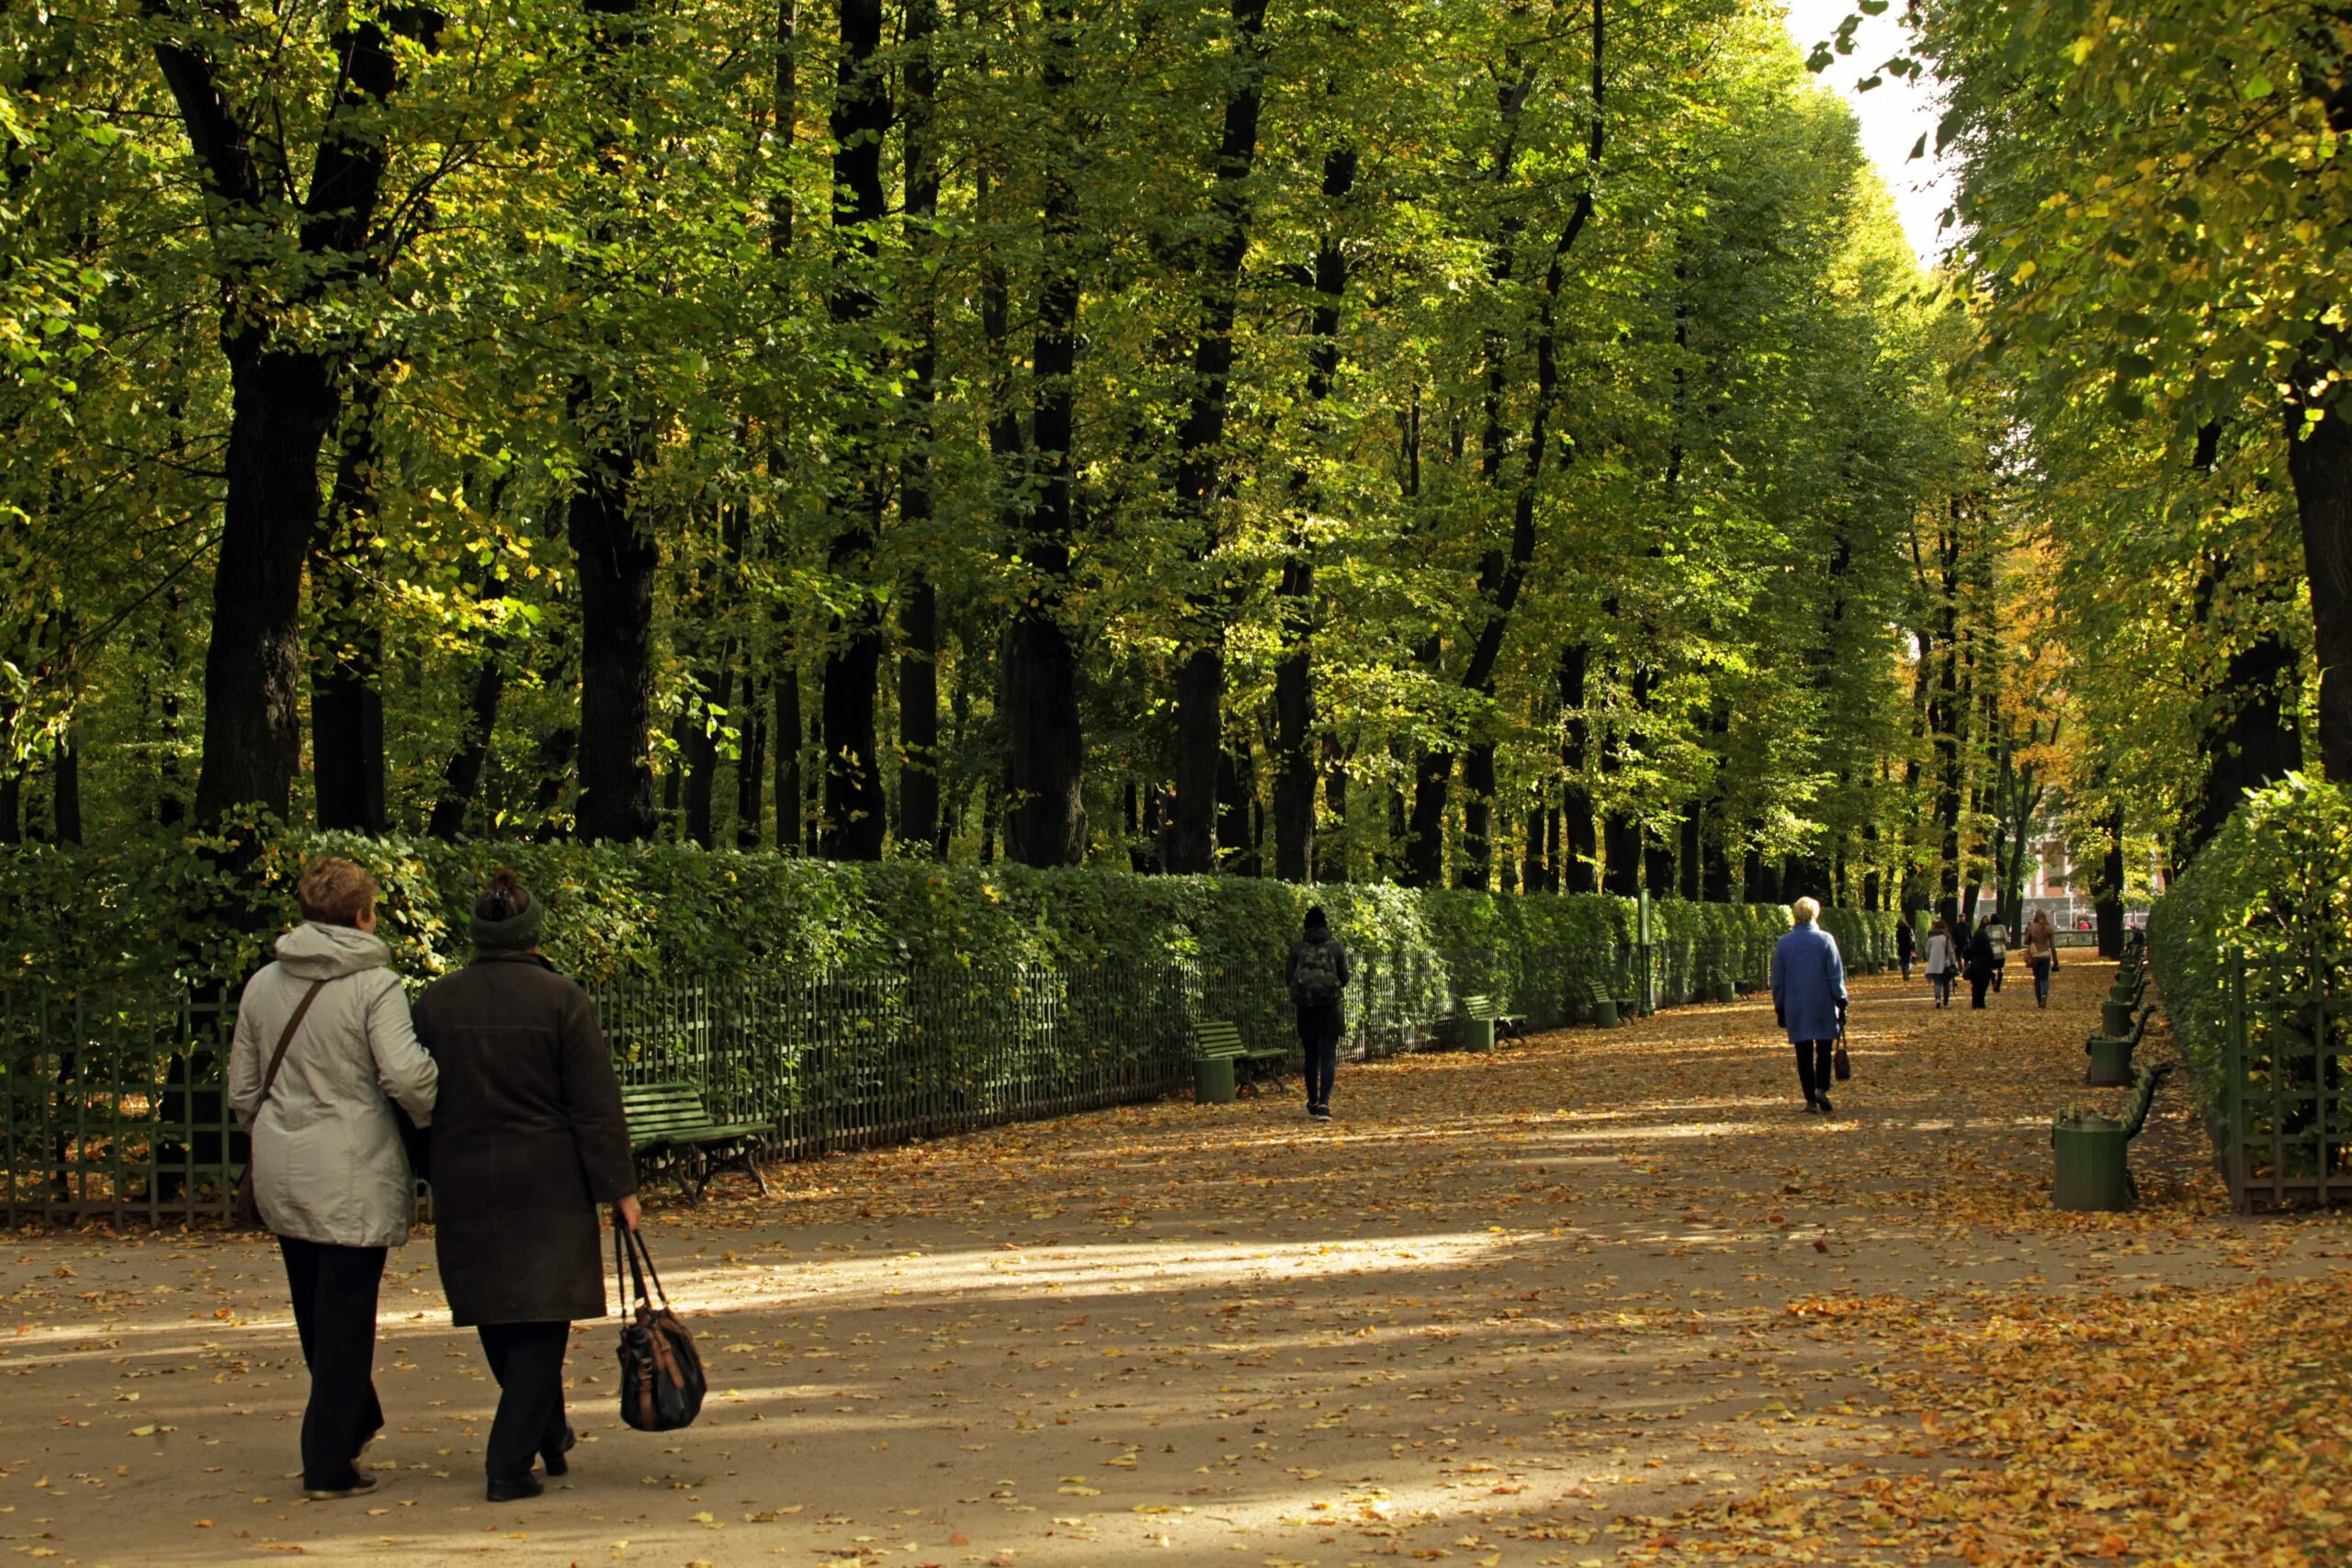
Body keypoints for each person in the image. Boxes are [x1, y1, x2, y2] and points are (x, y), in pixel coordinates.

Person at [412, 870, 640, 1503]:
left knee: (497, 1312)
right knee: (542, 1320)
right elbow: (594, 1103)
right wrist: (618, 1186)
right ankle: (508, 1464)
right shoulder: (562, 999)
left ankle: (547, 1429)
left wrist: (426, 1164)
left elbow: (410, 1097)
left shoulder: (435, 1003)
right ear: (533, 932)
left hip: (465, 1176)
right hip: (548, 1179)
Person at [228, 856, 438, 1503]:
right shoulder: (377, 986)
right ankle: (328, 1461)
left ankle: (353, 1418)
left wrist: (271, 1129)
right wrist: (429, 1111)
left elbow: (241, 1087)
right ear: (361, 915)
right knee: (347, 1315)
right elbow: (405, 1075)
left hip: (284, 1167)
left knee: (315, 1310)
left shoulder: (264, 983)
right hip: (352, 1167)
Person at [1770, 897, 1848, 1115]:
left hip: (1796, 1004)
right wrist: (1841, 1000)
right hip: (1822, 1004)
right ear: (1816, 914)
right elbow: (1835, 975)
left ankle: (1810, 1099)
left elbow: (1778, 979)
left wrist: (1780, 1006)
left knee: (1803, 1053)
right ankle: (1822, 1088)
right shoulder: (1825, 940)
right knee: (1823, 1050)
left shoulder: (1784, 943)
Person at [1285, 907, 1351, 1121]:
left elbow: (1288, 979)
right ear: (1325, 925)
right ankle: (1324, 1104)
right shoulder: (1335, 947)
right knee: (1328, 1056)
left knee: (1311, 1056)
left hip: (1306, 1008)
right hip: (1330, 1008)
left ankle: (1312, 1101)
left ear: (1305, 925)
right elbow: (1345, 978)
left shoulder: (1297, 949)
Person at [2024, 910, 2057, 1009]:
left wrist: (2030, 936)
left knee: (2037, 979)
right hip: (2046, 955)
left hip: (2035, 956)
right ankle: (2044, 995)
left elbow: (2025, 941)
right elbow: (2052, 946)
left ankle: (2039, 1002)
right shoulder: (2049, 928)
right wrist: (2056, 961)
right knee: (2045, 978)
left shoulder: (2032, 928)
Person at [1965, 919, 1998, 1010]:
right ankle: (1981, 1002)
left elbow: (1967, 954)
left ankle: (1975, 1003)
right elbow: (1992, 957)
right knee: (1983, 987)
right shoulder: (1987, 946)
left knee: (1975, 986)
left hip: (1975, 967)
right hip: (1986, 968)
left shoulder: (1973, 945)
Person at [1924, 918, 1955, 1009]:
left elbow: (1927, 952)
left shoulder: (1930, 939)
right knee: (1946, 984)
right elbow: (1951, 952)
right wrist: (1953, 963)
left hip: (1935, 964)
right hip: (1945, 964)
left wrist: (1930, 960)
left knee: (1937, 983)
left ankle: (1937, 999)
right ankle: (1946, 1003)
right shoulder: (1946, 938)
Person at [1981, 912, 2010, 992]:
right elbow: (2006, 940)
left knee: (1991, 968)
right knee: (2000, 968)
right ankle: (1998, 985)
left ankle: (1993, 983)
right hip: (2000, 951)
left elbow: (1985, 939)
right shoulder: (2002, 928)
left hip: (1990, 951)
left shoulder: (1987, 928)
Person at [1894, 917, 1916, 981]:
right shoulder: (1909, 929)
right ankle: (1908, 970)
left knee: (1903, 962)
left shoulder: (1898, 931)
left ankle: (1904, 976)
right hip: (1909, 948)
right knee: (1908, 961)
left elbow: (1897, 941)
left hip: (1901, 948)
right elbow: (1912, 939)